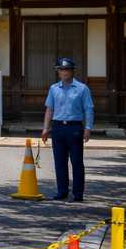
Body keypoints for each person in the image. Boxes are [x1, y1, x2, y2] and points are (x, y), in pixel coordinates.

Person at [40, 57, 94, 201]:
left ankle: (78, 194)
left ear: (72, 71)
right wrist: (46, 128)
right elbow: (49, 109)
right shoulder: (53, 88)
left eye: (66, 70)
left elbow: (88, 109)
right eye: (61, 70)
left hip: (74, 127)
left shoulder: (82, 88)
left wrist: (88, 127)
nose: (64, 72)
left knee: (76, 162)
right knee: (59, 161)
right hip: (57, 127)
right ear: (58, 72)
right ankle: (62, 191)